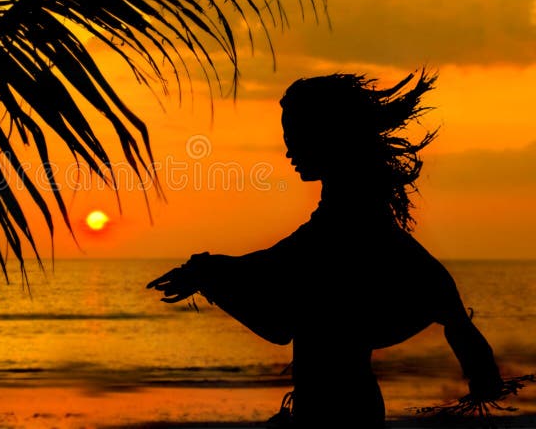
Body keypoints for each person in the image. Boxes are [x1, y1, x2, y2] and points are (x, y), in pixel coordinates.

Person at [147, 71, 509, 427]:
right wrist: (210, 272)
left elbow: (278, 306)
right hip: (336, 407)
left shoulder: (350, 224)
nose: (288, 150)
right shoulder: (353, 221)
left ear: (329, 137)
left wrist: (208, 272)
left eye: (296, 137)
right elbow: (279, 280)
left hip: (341, 412)